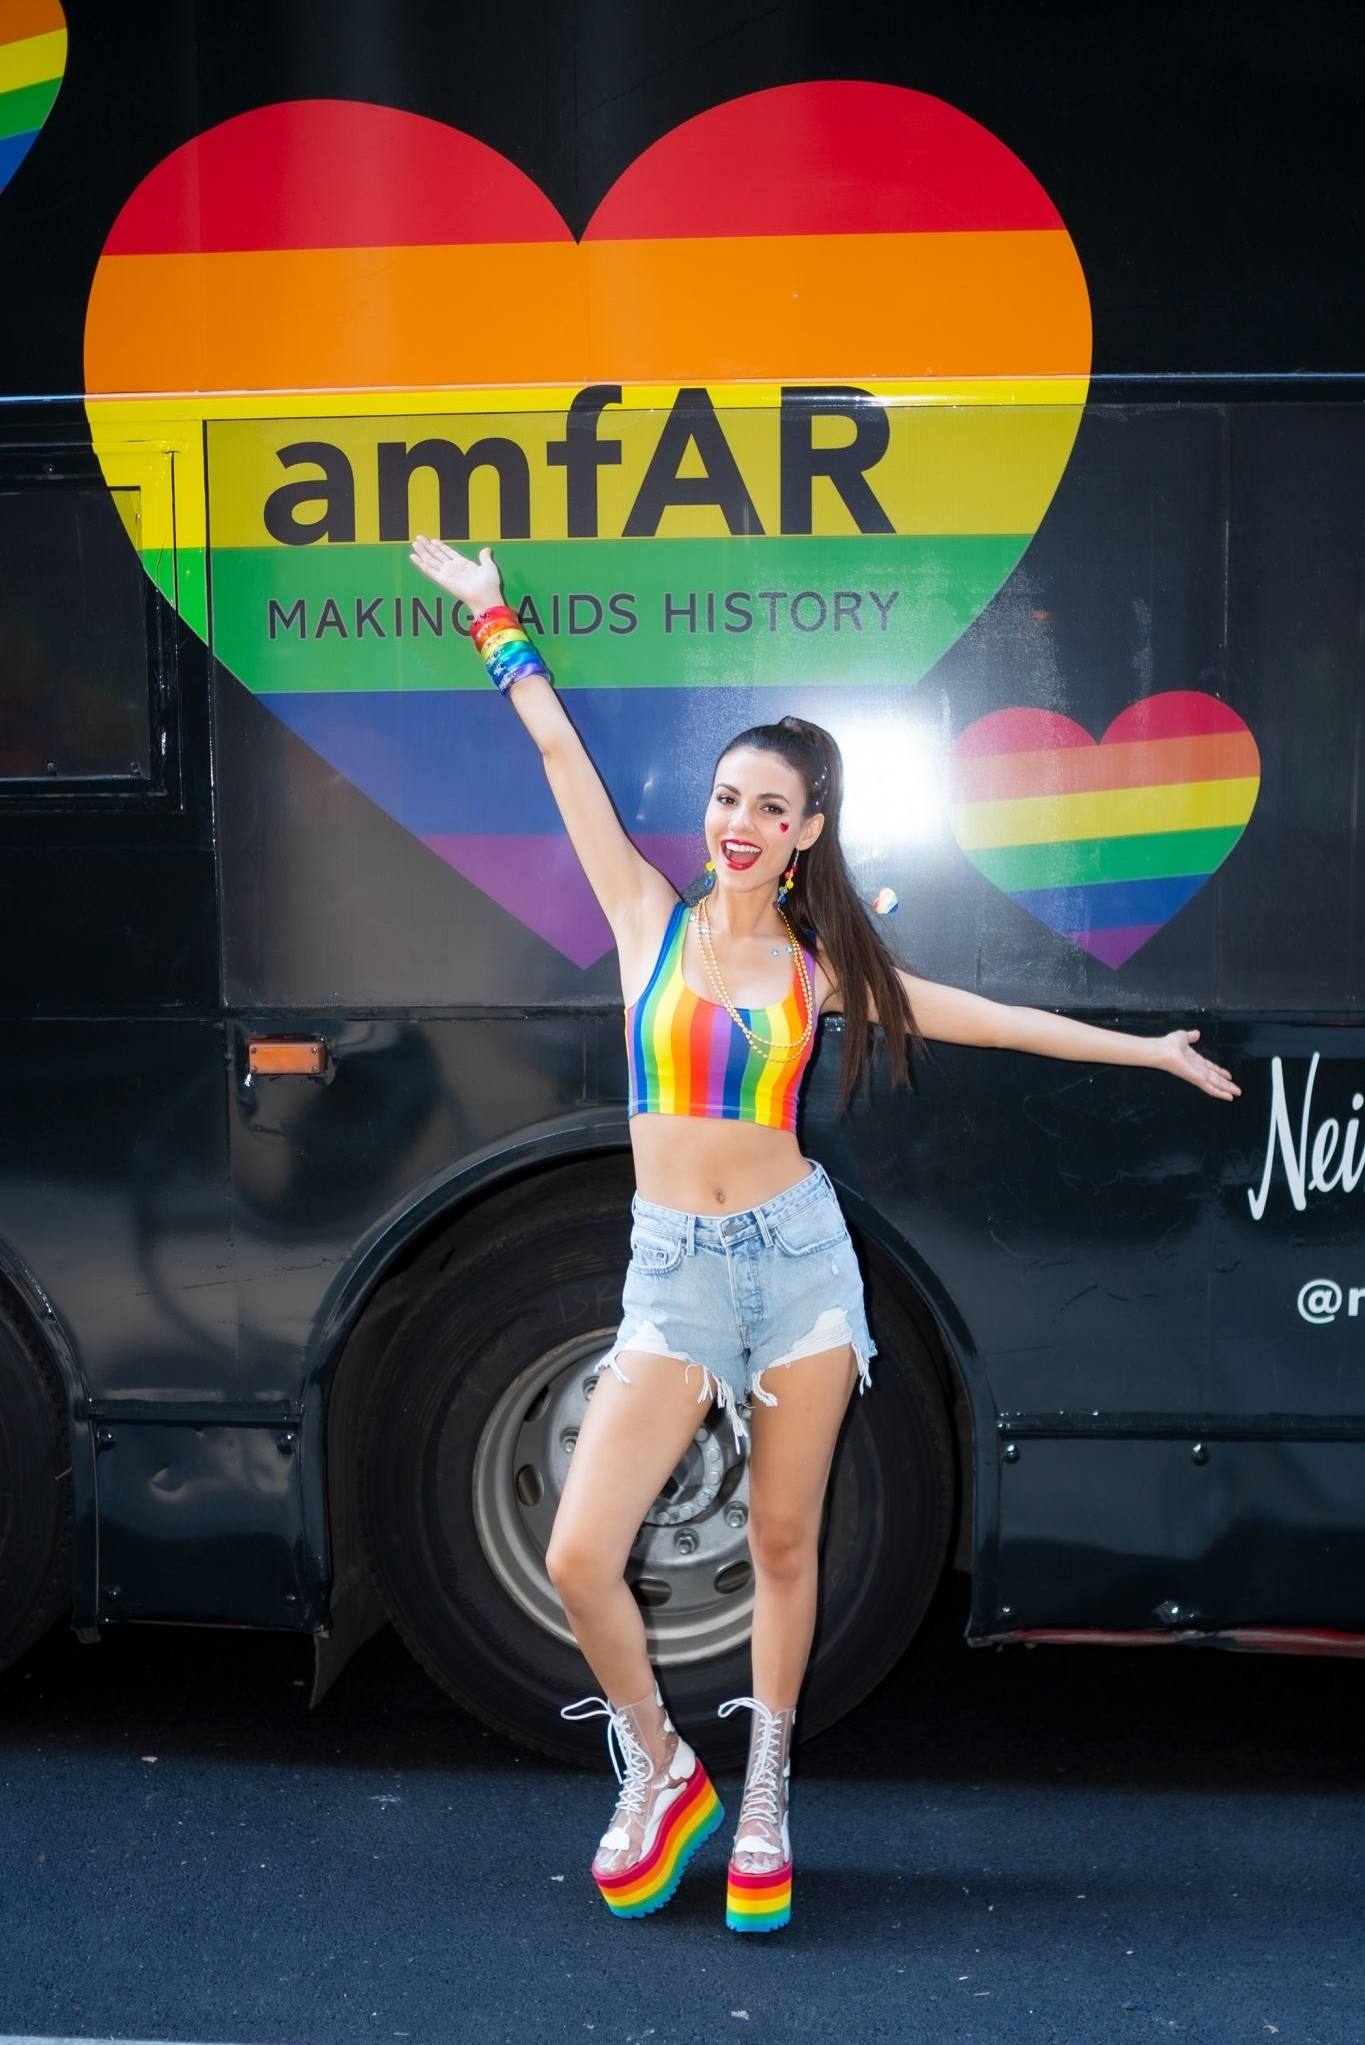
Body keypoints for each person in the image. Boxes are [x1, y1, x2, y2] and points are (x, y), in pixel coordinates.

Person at [408, 536, 1241, 1934]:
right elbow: (561, 760)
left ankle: (769, 1788)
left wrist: (1145, 1051)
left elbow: (985, 1018)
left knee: (784, 1543)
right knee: (574, 1556)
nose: (736, 819)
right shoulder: (644, 923)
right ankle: (664, 1769)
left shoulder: (818, 970)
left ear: (805, 834)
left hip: (795, 1266)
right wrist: (492, 612)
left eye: (768, 806)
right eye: (727, 796)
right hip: (671, 1274)